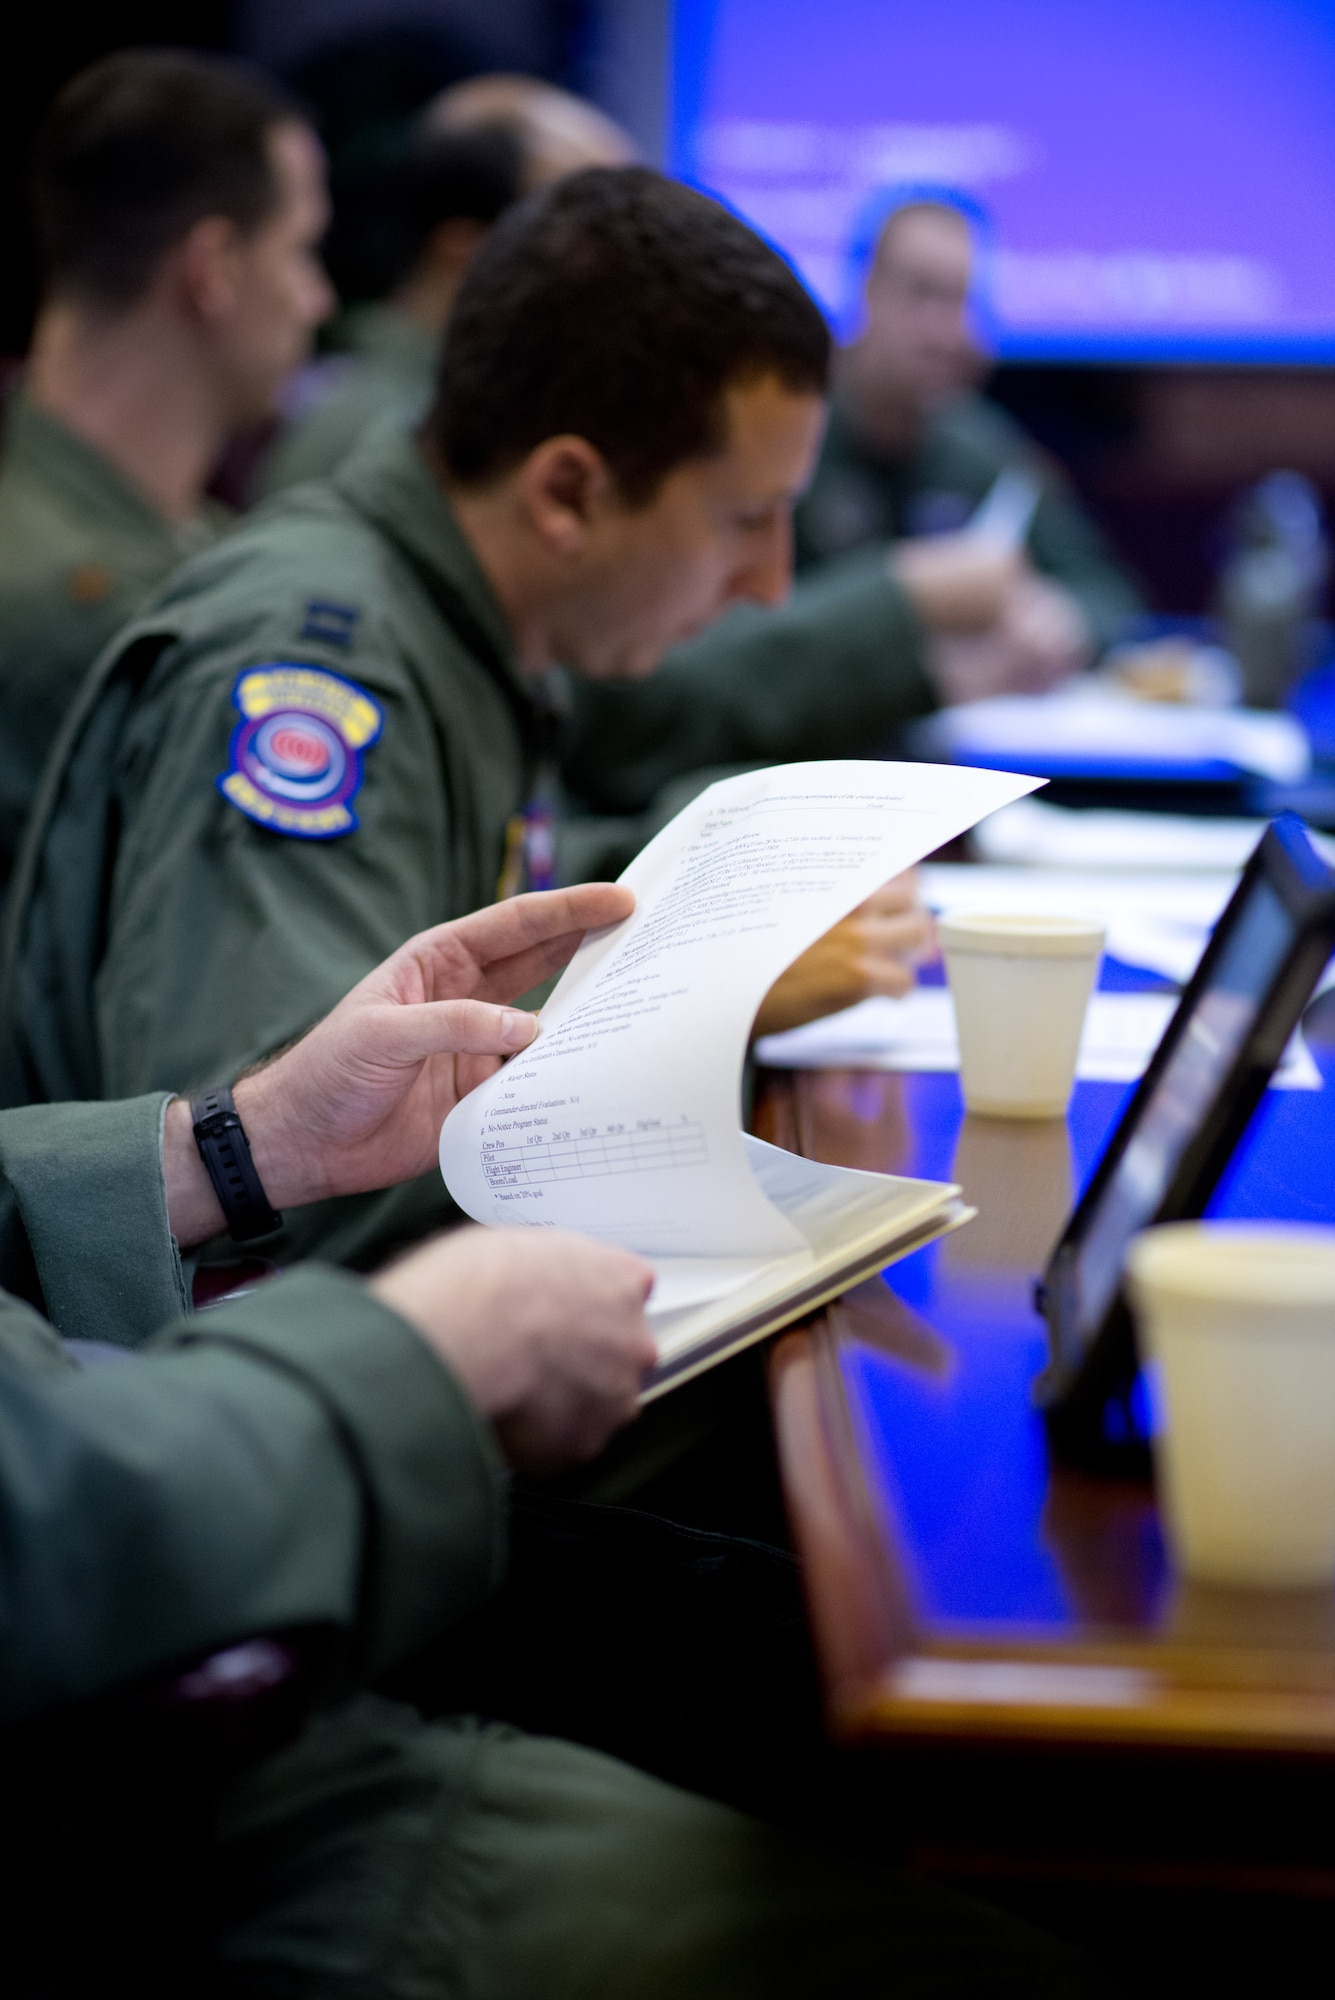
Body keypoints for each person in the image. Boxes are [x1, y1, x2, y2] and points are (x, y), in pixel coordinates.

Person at [0, 884, 1111, 1999]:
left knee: (868, 1680)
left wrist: (233, 1145)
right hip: (136, 1779)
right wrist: (421, 1345)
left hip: (197, 1538)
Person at [0, 166, 933, 1273]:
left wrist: (740, 896)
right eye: (746, 519)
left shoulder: (469, 618)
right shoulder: (314, 668)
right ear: (567, 494)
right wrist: (704, 1003)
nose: (773, 582)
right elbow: (283, 1197)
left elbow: (457, 894)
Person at [0, 50, 335, 886]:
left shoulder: (176, 537)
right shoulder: (79, 605)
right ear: (213, 270)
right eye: (300, 251)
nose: (317, 298)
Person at [793, 196, 1146, 702]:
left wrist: (1066, 620)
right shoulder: (792, 434)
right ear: (866, 292)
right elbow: (746, 628)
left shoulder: (979, 445)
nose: (944, 332)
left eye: (961, 302)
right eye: (921, 294)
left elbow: (1107, 593)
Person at [258, 76, 636, 498]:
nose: (622, 279)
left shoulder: (461, 416)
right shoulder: (376, 440)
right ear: (464, 253)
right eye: (587, 242)